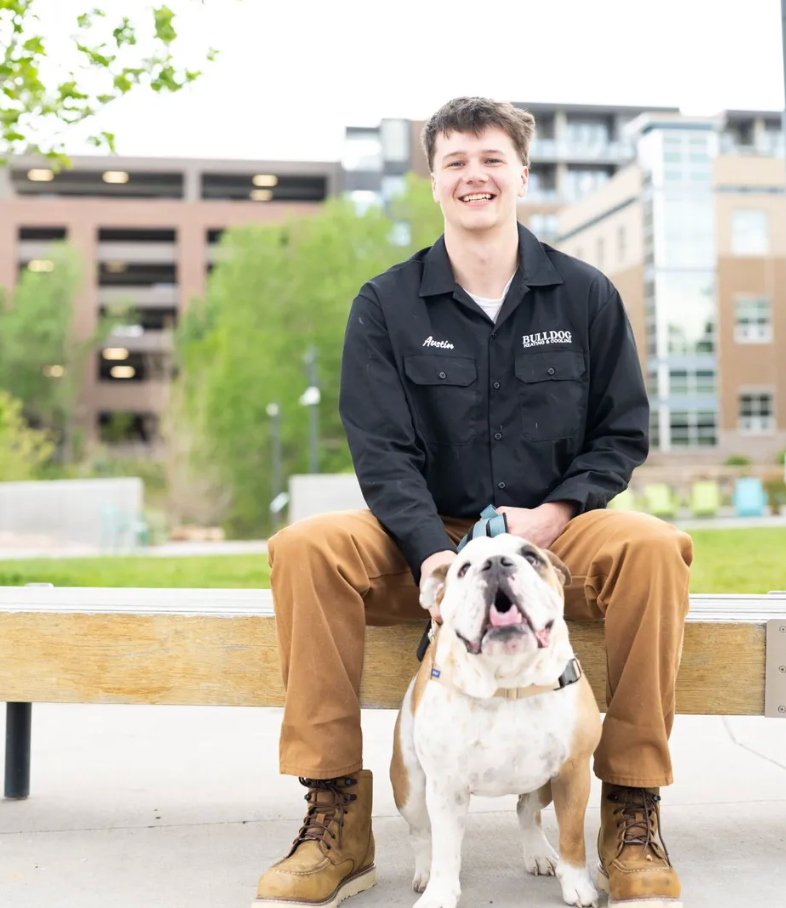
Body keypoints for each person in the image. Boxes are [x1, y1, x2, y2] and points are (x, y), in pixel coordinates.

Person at [253, 97, 692, 908]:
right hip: (421, 536)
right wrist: (433, 551)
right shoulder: (385, 305)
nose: (475, 176)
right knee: (305, 546)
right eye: (455, 161)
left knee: (656, 548)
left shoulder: (586, 296)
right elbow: (380, 453)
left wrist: (555, 516)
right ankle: (336, 818)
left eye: (491, 159)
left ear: (522, 173)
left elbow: (622, 433)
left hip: (555, 533)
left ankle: (630, 807)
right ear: (434, 180)